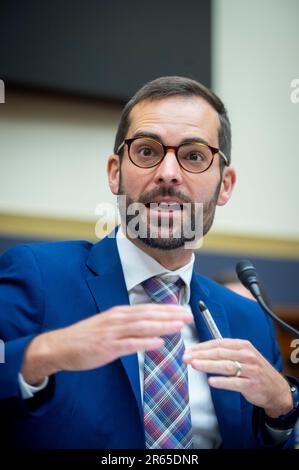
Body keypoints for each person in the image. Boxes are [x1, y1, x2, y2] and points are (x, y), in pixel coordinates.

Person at [0, 76, 298, 449]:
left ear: (225, 185)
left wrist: (282, 407)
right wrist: (41, 354)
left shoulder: (249, 320)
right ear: (115, 171)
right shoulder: (38, 275)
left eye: (193, 156)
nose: (168, 173)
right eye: (146, 151)